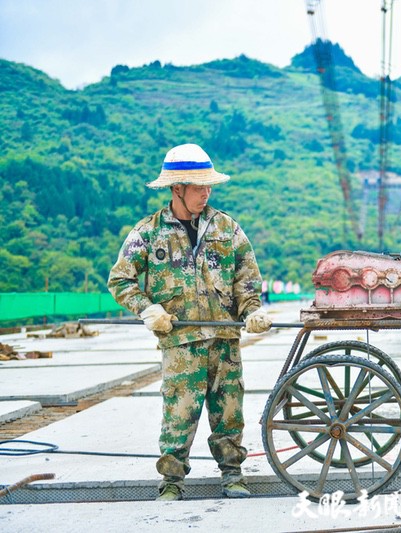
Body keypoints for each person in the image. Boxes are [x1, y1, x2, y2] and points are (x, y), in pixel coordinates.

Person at [108, 143, 272, 501]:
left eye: (208, 186)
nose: (206, 193)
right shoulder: (149, 233)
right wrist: (147, 310)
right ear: (177, 188)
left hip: (224, 341)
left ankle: (232, 475)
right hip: (180, 345)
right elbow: (121, 280)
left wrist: (252, 311)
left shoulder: (227, 229)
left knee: (229, 412)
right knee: (178, 415)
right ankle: (171, 482)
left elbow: (246, 279)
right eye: (199, 187)